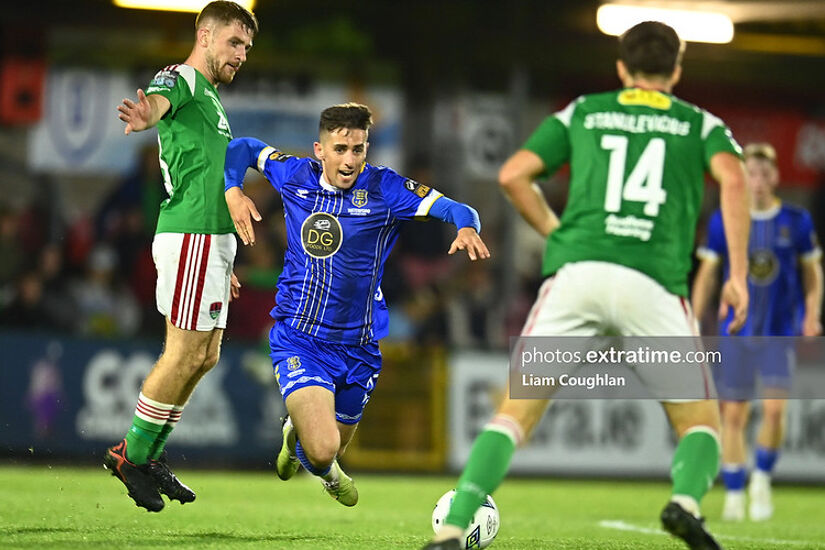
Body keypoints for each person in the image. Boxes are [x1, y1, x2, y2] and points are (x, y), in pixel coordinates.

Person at [424, 21, 750, 550]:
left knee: (513, 414)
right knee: (700, 425)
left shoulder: (584, 111)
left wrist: (558, 232)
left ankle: (454, 529)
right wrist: (736, 274)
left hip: (577, 275)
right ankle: (685, 503)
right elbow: (734, 180)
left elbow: (512, 175)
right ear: (677, 70)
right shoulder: (700, 124)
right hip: (654, 281)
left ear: (621, 68)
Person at [224, 102, 490, 506]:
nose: (349, 160)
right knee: (324, 451)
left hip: (360, 346)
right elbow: (242, 147)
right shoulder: (294, 174)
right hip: (301, 338)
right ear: (319, 149)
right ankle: (323, 464)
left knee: (329, 446)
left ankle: (295, 432)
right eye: (340, 149)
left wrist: (467, 225)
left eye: (358, 150)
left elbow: (456, 207)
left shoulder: (385, 189)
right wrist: (233, 190)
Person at [103, 1, 258, 513]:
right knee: (182, 353)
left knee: (205, 356)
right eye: (234, 42)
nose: (240, 55)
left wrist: (224, 261)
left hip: (211, 243)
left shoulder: (211, 96)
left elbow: (210, 170)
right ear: (206, 33)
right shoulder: (185, 78)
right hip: (190, 235)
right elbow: (160, 97)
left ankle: (148, 455)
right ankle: (133, 455)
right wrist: (149, 112)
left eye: (247, 48)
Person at [692, 142, 823, 522]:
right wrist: (694, 322)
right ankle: (734, 492)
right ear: (742, 177)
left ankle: (762, 477)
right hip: (735, 332)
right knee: (733, 415)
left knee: (775, 411)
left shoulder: (796, 221)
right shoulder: (723, 221)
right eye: (751, 173)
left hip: (779, 331)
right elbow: (707, 274)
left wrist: (811, 314)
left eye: (765, 173)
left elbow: (813, 273)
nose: (759, 181)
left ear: (776, 177)